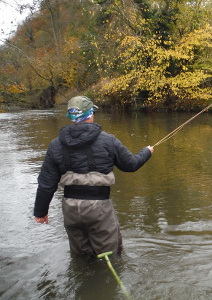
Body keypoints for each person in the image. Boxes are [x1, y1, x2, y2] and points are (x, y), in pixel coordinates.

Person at [33, 96, 153, 256]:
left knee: (81, 258)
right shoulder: (108, 140)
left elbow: (46, 183)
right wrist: (147, 152)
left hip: (70, 209)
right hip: (99, 208)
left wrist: (40, 212)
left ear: (71, 117)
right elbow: (130, 165)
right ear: (90, 114)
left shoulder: (56, 145)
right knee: (110, 257)